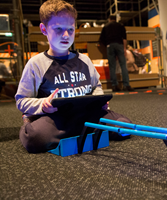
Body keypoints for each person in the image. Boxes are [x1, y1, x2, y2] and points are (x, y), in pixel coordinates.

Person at [15, 0, 131, 153]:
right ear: (44, 29)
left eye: (70, 29)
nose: (66, 35)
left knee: (125, 126)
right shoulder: (36, 64)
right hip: (55, 119)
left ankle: (76, 131)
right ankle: (31, 122)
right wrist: (42, 104)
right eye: (58, 29)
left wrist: (99, 101)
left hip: (85, 114)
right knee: (35, 138)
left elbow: (96, 87)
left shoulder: (84, 61)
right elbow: (21, 101)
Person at [99, 15, 134, 92]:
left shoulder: (106, 27)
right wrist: (124, 49)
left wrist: (107, 45)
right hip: (119, 45)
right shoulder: (120, 25)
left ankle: (115, 86)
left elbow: (101, 40)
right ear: (115, 19)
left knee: (112, 67)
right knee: (123, 65)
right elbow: (124, 38)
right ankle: (126, 85)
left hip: (110, 45)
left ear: (109, 19)